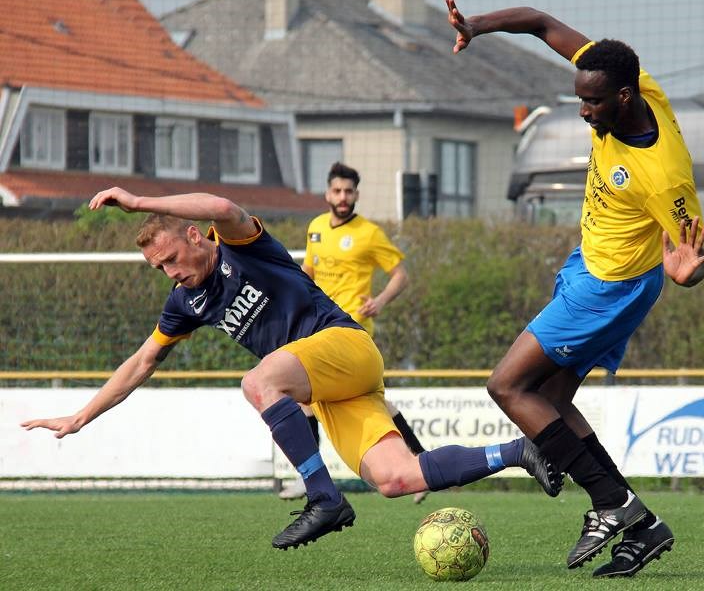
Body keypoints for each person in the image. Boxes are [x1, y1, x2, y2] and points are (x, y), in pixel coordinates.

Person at [20, 186, 561, 550]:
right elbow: (141, 362)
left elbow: (221, 203)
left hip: (345, 346)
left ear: (195, 235)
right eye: (157, 268)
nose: (167, 273)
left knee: (257, 381)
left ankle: (324, 499)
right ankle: (522, 450)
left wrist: (137, 202)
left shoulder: (241, 245)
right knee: (396, 479)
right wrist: (79, 417)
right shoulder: (185, 303)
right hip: (329, 388)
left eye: (169, 259)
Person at [445, 0, 704, 578]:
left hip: (608, 288)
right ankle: (642, 527)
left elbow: (693, 253)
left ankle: (611, 503)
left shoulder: (660, 172)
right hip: (592, 267)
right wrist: (478, 27)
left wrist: (689, 274)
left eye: (592, 102)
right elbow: (542, 23)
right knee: (552, 400)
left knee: (508, 387)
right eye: (580, 98)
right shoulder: (631, 81)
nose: (584, 112)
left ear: (622, 98)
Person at [280, 161, 429, 504]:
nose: (343, 197)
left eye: (349, 191)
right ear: (327, 194)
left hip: (350, 330)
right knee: (337, 401)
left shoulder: (369, 233)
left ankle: (310, 477)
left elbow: (400, 275)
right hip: (316, 329)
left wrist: (379, 301)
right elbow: (309, 273)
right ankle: (419, 463)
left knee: (306, 398)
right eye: (337, 191)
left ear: (357, 195)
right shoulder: (316, 228)